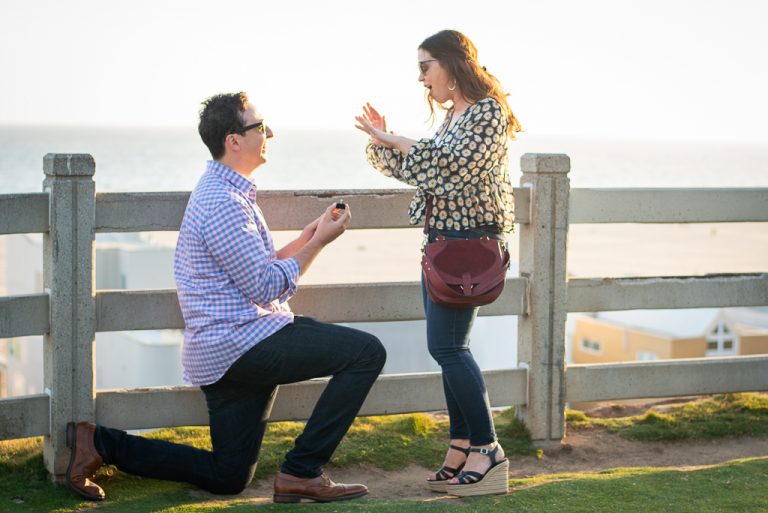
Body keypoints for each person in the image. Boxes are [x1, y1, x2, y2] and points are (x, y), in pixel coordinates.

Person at [66, 91, 386, 504]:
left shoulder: (229, 194)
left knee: (229, 475)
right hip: (242, 344)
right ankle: (301, 473)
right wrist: (320, 243)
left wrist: (308, 237)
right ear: (234, 140)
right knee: (366, 353)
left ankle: (100, 445)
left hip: (231, 348)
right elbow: (265, 287)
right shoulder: (222, 202)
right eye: (259, 126)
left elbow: (258, 268)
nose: (270, 132)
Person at [355, 29, 521, 497]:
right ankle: (462, 444)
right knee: (451, 348)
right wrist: (385, 143)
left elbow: (450, 171)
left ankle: (488, 450)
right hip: (442, 246)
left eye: (426, 66)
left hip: (467, 246)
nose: (422, 78)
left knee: (447, 349)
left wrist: (399, 141)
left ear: (452, 64)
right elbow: (422, 168)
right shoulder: (454, 118)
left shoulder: (488, 113)